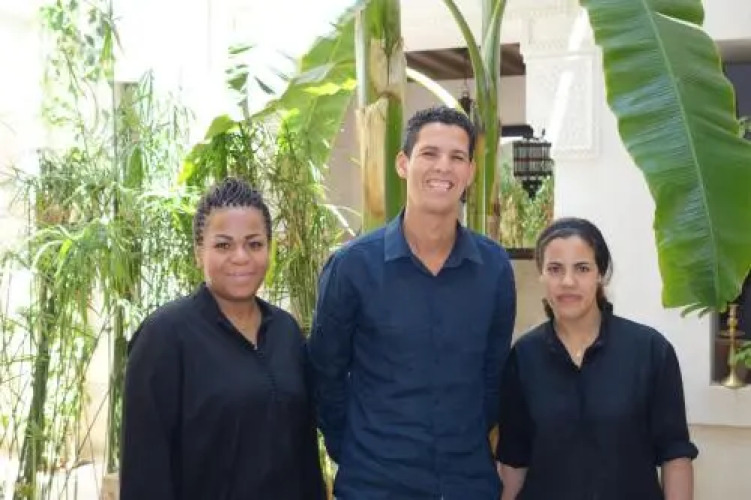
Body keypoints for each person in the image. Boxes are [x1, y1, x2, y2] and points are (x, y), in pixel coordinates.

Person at [307, 105, 517, 499]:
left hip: (467, 483)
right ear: (403, 164)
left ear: (470, 172)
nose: (443, 167)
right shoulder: (352, 267)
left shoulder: (494, 269)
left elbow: (493, 377)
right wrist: (357, 452)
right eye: (429, 153)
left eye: (457, 157)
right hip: (376, 484)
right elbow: (324, 376)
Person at [120, 178, 325, 500]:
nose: (241, 257)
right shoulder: (164, 337)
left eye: (254, 244)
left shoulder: (286, 331)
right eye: (223, 245)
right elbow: (144, 470)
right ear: (198, 252)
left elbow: (304, 454)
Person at [496, 217, 698, 500]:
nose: (568, 282)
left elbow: (675, 455)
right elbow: (513, 462)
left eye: (582, 268)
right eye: (555, 269)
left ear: (600, 274)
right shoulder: (523, 356)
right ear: (541, 275)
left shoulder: (651, 351)